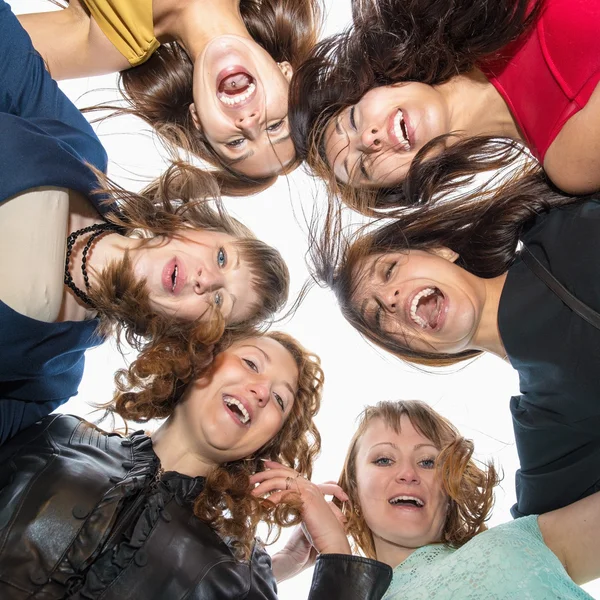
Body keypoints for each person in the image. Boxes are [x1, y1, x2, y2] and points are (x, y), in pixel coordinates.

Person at [0, 0, 289, 443]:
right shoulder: (76, 149)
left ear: (188, 331)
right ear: (189, 228)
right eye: (222, 257)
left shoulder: (45, 382)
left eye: (218, 303)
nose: (208, 279)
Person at [0, 330, 392, 599]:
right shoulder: (57, 433)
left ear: (269, 442)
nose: (260, 391)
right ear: (200, 360)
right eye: (252, 364)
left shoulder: (243, 570)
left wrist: (336, 552)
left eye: (279, 400)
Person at [311, 163, 600, 518]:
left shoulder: (563, 216)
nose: (390, 299)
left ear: (437, 249)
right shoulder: (549, 424)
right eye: (379, 318)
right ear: (414, 347)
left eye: (389, 270)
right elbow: (536, 549)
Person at [289, 0, 600, 215]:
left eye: (353, 121)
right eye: (364, 168)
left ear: (374, 85)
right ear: (411, 180)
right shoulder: (568, 162)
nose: (369, 140)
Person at [17, 0, 323, 193]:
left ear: (198, 119)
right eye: (275, 126)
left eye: (236, 143)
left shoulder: (117, 41)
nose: (250, 123)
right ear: (288, 75)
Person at [338, 399, 600, 599]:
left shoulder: (521, 539)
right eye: (384, 459)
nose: (408, 474)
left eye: (428, 462)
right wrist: (331, 553)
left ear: (451, 486)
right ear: (352, 488)